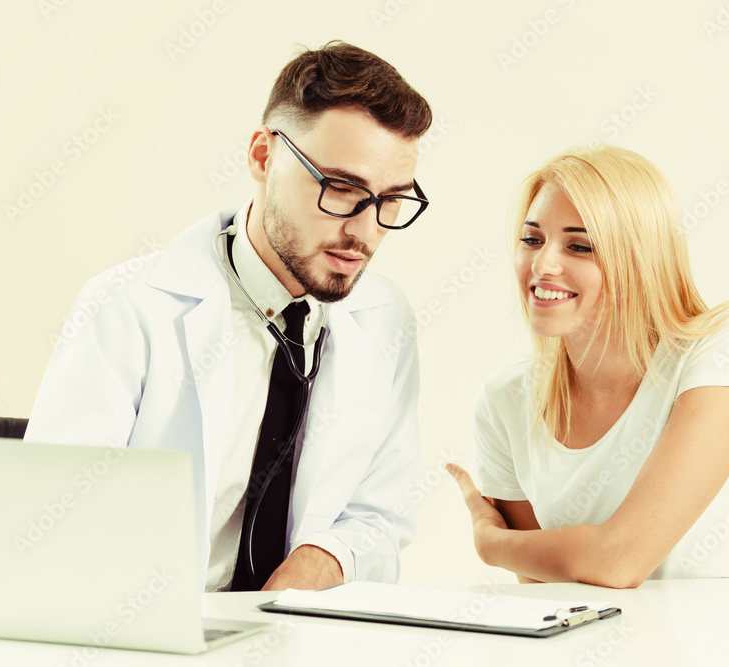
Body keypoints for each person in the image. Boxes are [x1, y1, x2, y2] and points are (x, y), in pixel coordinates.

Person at [24, 41, 432, 592]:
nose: (364, 232)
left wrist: (322, 561)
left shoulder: (385, 319)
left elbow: (381, 517)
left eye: (391, 201)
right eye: (341, 189)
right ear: (264, 157)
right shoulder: (126, 307)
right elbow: (51, 522)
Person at [448, 144, 729, 589]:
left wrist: (490, 544)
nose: (542, 264)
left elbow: (619, 562)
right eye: (531, 239)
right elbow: (548, 594)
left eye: (579, 246)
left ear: (639, 260)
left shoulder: (722, 345)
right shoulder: (503, 401)